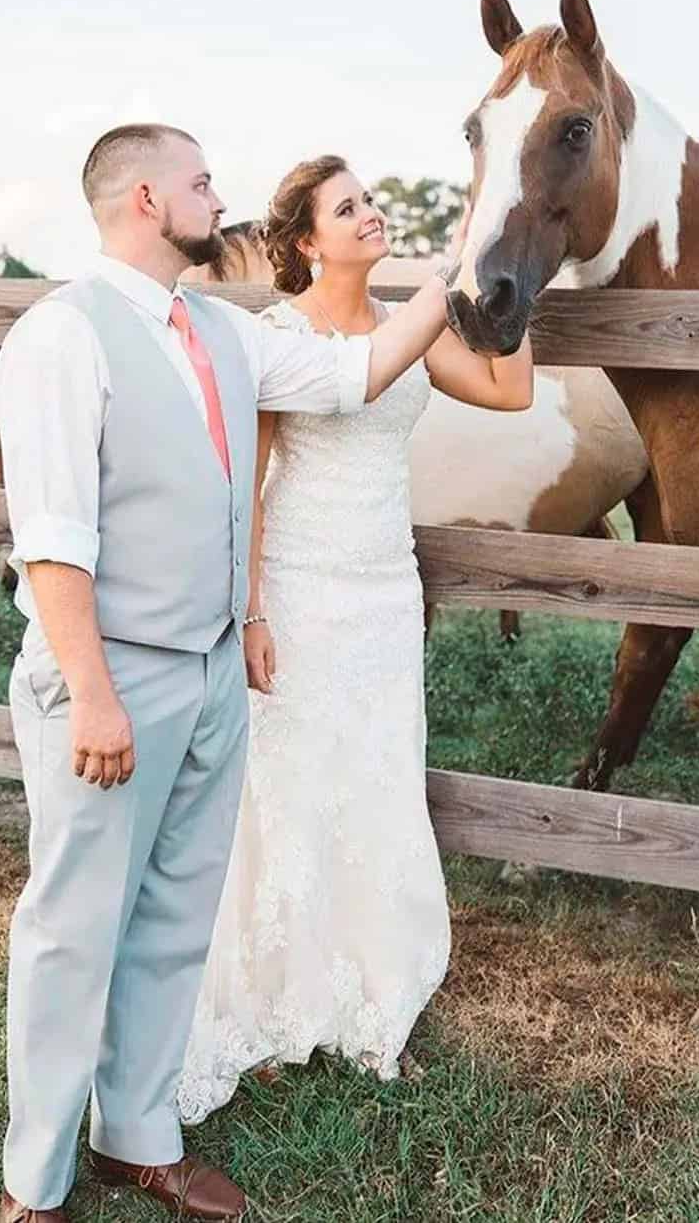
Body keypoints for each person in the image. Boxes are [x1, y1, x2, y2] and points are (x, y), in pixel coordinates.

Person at [0, 126, 460, 1223]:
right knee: (74, 927)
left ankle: (138, 1137)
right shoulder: (63, 336)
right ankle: (33, 1186)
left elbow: (351, 376)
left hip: (210, 676)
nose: (221, 198)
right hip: (111, 680)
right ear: (149, 200)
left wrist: (463, 266)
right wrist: (93, 694)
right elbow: (51, 537)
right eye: (203, 183)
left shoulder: (222, 328)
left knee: (173, 916)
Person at [177, 155, 533, 1124]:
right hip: (296, 587)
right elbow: (247, 488)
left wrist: (518, 288)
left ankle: (375, 998)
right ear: (305, 242)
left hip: (384, 591)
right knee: (286, 790)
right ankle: (273, 1000)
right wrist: (250, 611)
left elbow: (510, 393)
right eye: (350, 207)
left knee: (378, 780)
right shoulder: (277, 339)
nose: (372, 214)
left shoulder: (405, 332)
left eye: (372, 198)